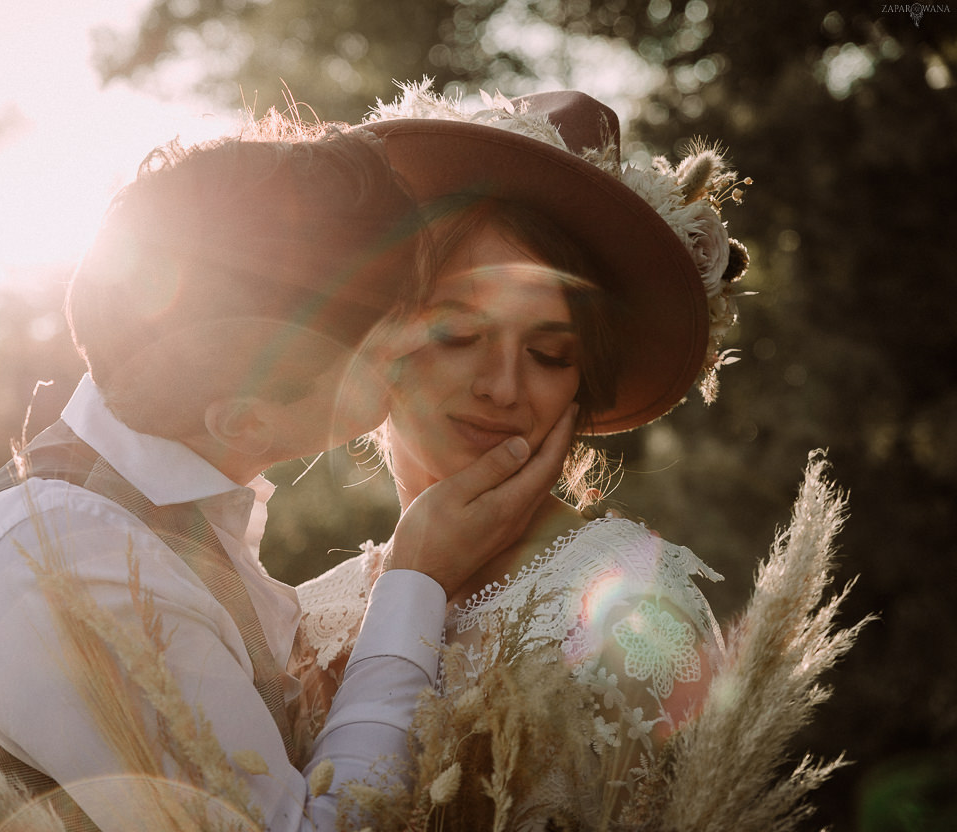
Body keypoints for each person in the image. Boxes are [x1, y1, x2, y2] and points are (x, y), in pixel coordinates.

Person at [0, 121, 576, 831]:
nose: (423, 348)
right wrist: (417, 577)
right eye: (387, 351)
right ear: (244, 421)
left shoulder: (162, 517)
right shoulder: (71, 564)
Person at [295, 87, 750, 818]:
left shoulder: (631, 601)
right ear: (381, 335)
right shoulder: (302, 618)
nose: (503, 387)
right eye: (459, 335)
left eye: (548, 351)